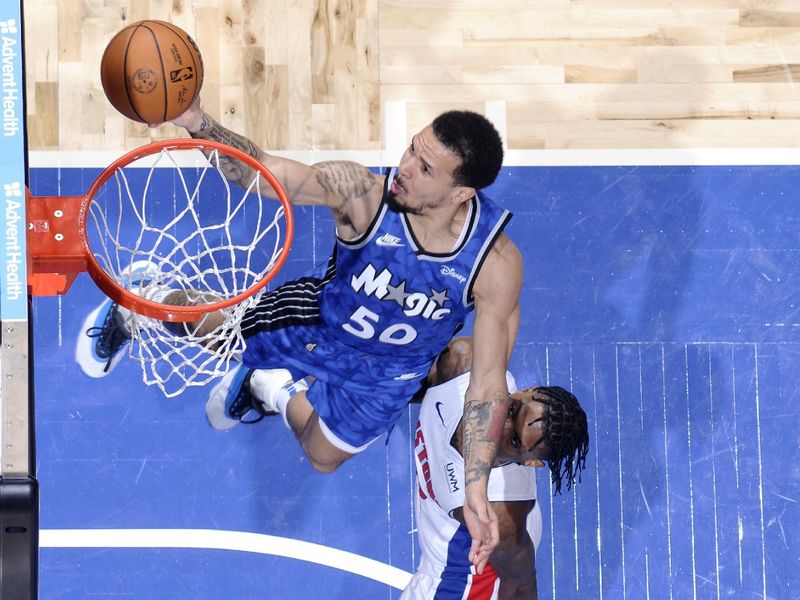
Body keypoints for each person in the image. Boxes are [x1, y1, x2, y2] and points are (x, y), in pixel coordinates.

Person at [77, 98, 523, 568]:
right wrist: (195, 121)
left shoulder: (493, 263)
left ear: (461, 194)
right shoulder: (363, 195)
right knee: (218, 335)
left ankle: (267, 387)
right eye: (412, 149)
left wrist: (476, 485)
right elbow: (263, 173)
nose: (405, 168)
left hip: (388, 376)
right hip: (319, 326)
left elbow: (489, 382)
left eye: (425, 167)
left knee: (323, 456)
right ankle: (145, 302)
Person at [401, 337, 589, 599]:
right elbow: (403, 383)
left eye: (514, 441)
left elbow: (521, 588)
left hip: (464, 583)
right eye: (512, 410)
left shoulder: (500, 521)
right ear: (525, 389)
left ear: (530, 463)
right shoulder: (465, 363)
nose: (498, 427)